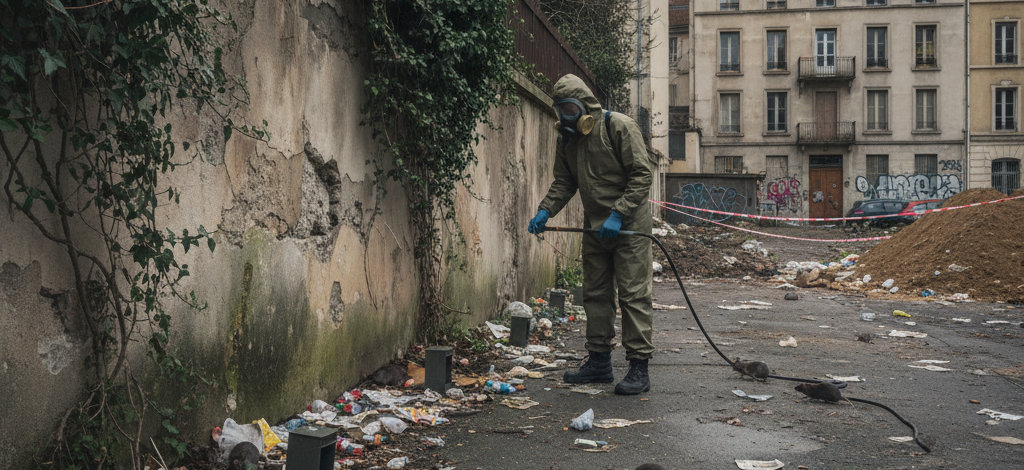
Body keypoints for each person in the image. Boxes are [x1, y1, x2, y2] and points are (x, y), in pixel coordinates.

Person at [527, 74, 654, 395]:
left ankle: (639, 367)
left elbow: (642, 174)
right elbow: (564, 181)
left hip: (629, 226)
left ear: (586, 105)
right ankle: (599, 362)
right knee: (595, 294)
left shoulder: (618, 127)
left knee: (633, 295)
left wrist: (619, 212)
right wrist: (545, 211)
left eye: (570, 108)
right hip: (595, 226)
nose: (566, 116)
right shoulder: (567, 141)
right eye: (561, 110)